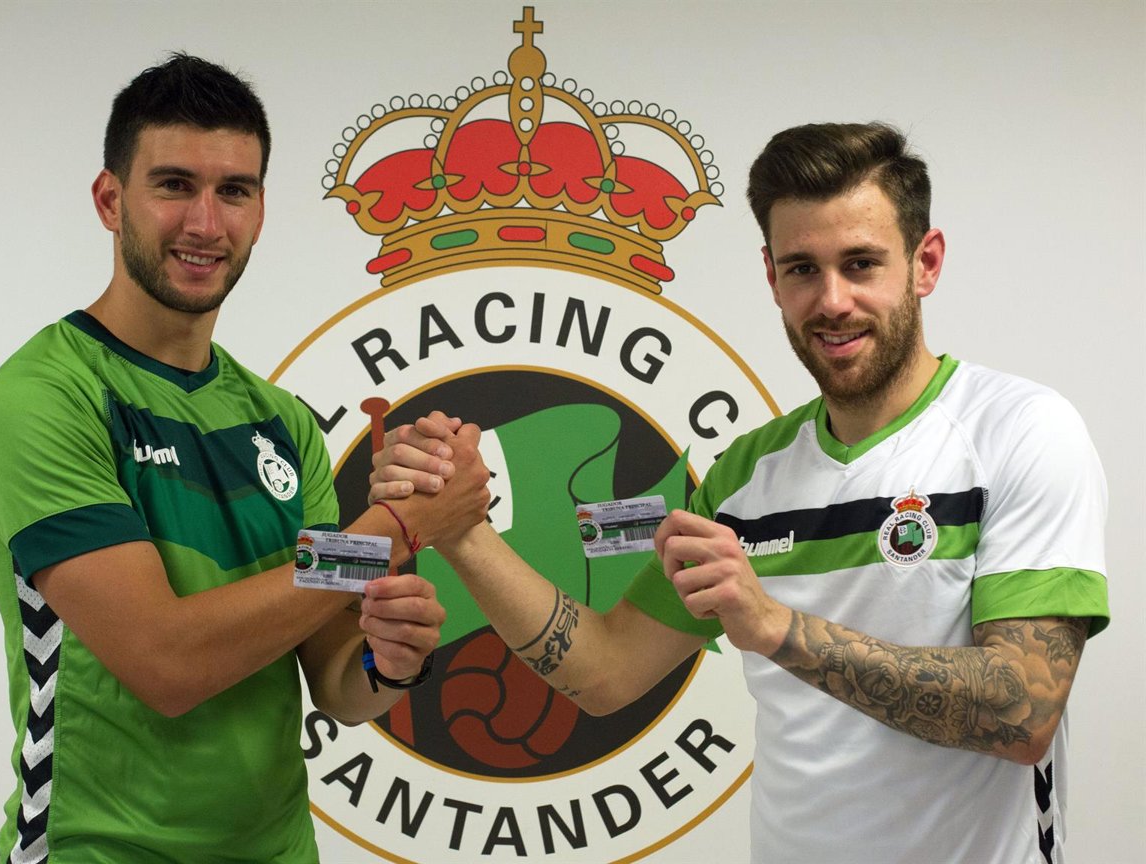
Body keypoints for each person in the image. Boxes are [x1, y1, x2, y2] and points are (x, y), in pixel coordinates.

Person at [370, 122, 1110, 863]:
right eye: (802, 269)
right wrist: (463, 530)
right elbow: (606, 672)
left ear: (926, 262)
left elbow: (1023, 711)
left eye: (861, 264)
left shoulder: (1020, 431)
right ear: (771, 277)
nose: (832, 301)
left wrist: (774, 627)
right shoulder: (748, 476)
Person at [0, 54, 489, 864]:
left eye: (234, 191)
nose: (206, 224)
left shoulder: (282, 422)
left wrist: (386, 663)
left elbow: (336, 681)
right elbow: (166, 664)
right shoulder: (42, 397)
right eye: (174, 185)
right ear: (110, 200)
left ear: (261, 209)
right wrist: (398, 529)